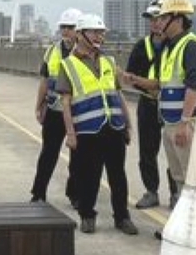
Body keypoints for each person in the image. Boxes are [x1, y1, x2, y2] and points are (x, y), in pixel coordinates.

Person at [58, 14, 138, 236]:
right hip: (86, 129)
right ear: (81, 35)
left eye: (101, 32)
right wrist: (70, 133)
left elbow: (119, 95)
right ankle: (87, 215)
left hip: (113, 127)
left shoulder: (108, 61)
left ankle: (122, 217)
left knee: (118, 176)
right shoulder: (68, 65)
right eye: (94, 32)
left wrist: (128, 125)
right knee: (89, 176)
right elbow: (65, 102)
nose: (99, 36)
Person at [153, 0, 196, 252]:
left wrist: (185, 122)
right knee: (178, 176)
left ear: (178, 19)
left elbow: (193, 86)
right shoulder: (170, 46)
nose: (159, 23)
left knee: (194, 177)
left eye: (164, 17)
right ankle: (181, 227)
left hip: (183, 123)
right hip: (169, 121)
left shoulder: (191, 46)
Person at [123, 0, 178, 209]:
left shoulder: (174, 45)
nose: (155, 24)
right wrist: (143, 86)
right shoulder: (141, 46)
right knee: (148, 150)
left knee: (174, 150)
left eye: (159, 19)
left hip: (171, 104)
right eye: (152, 20)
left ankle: (175, 192)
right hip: (148, 103)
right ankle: (151, 191)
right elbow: (130, 76)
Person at [29, 7, 82, 207]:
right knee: (48, 154)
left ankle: (74, 193)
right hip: (54, 110)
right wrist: (39, 105)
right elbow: (44, 81)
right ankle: (39, 192)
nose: (66, 31)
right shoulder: (52, 51)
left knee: (77, 157)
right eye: (63, 27)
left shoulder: (86, 53)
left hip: (77, 112)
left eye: (70, 27)